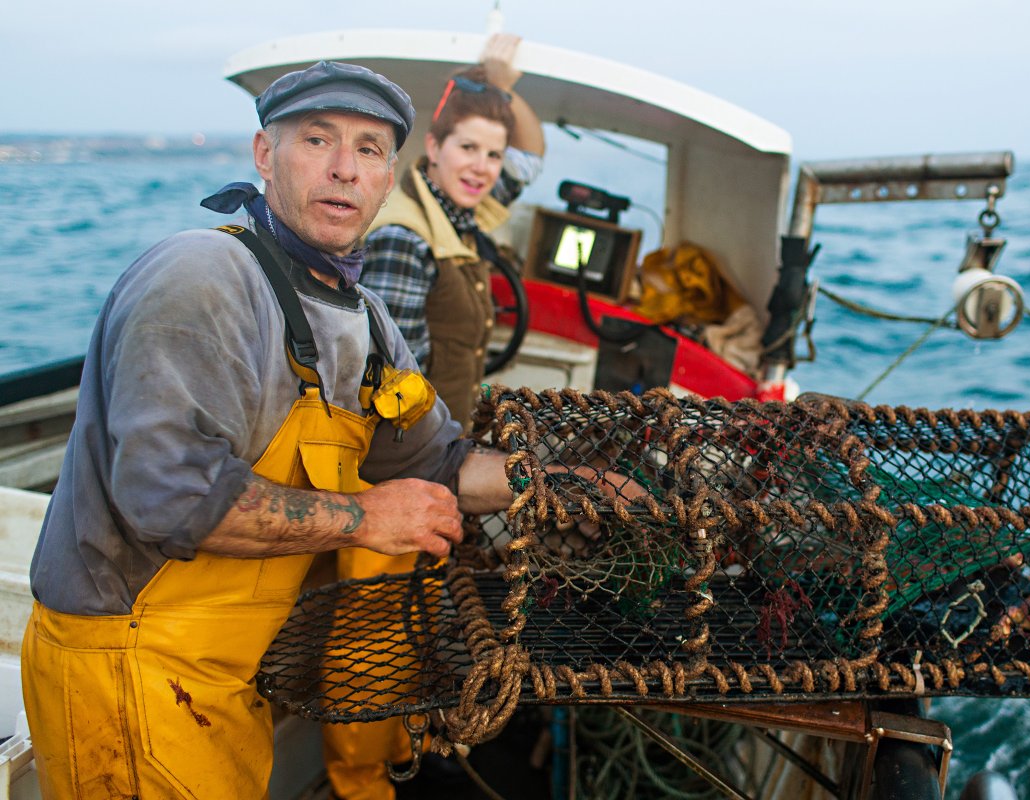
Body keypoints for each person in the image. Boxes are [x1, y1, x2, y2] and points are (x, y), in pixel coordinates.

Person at [18, 60, 621, 800]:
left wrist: (562, 484)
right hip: (126, 662)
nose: (344, 168)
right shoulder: (203, 276)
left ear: (389, 177)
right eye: (316, 139)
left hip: (223, 680)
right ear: (264, 154)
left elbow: (439, 461)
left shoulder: (366, 321)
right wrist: (366, 517)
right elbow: (169, 497)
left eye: (369, 149)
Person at [362, 33, 546, 428]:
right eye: (467, 148)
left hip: (448, 437)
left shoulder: (459, 213)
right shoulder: (403, 239)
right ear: (434, 147)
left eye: (494, 154)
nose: (481, 167)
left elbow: (529, 160)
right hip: (414, 449)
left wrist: (501, 87)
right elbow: (393, 391)